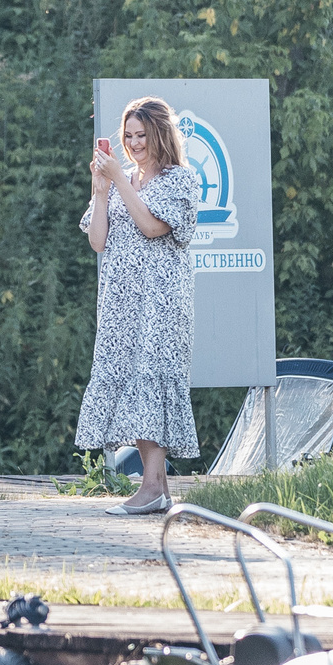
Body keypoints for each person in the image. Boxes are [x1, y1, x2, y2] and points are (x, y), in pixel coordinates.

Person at [75, 96, 199, 514]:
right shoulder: (121, 178)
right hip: (120, 301)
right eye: (128, 136)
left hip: (160, 301)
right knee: (131, 382)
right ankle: (158, 490)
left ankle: (149, 489)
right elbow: (96, 241)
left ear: (159, 133)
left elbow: (151, 227)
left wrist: (123, 184)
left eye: (141, 135)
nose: (133, 143)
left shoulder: (180, 180)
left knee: (153, 380)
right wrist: (102, 187)